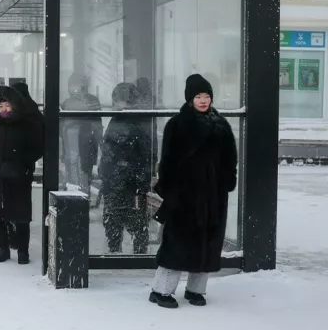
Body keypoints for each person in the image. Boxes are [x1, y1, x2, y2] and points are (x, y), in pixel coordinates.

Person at [149, 74, 238, 308]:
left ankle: (196, 290)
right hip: (185, 195)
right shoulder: (177, 125)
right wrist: (169, 189)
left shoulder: (221, 125)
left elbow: (230, 158)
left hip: (214, 196)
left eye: (207, 96)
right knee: (178, 244)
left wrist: (228, 180)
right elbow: (166, 160)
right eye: (198, 96)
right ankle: (161, 291)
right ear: (190, 99)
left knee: (208, 244)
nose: (203, 100)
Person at [0, 85, 42, 262]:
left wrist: (24, 163)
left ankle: (23, 251)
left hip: (18, 177)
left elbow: (36, 148)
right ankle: (4, 249)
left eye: (7, 106)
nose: (4, 109)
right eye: (0, 106)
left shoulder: (25, 126)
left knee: (21, 216)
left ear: (14, 106)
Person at [99, 83, 152, 254]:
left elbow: (143, 152)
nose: (117, 105)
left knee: (131, 219)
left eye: (120, 101)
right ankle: (120, 248)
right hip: (122, 178)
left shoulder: (134, 122)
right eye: (116, 102)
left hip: (128, 179)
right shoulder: (122, 120)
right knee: (121, 218)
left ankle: (131, 250)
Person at [60, 73, 102, 195]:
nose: (73, 88)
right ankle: (75, 200)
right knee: (72, 176)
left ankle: (81, 201)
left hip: (85, 145)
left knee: (83, 175)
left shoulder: (91, 101)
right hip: (71, 146)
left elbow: (97, 126)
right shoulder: (66, 103)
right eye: (71, 85)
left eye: (76, 85)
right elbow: (61, 128)